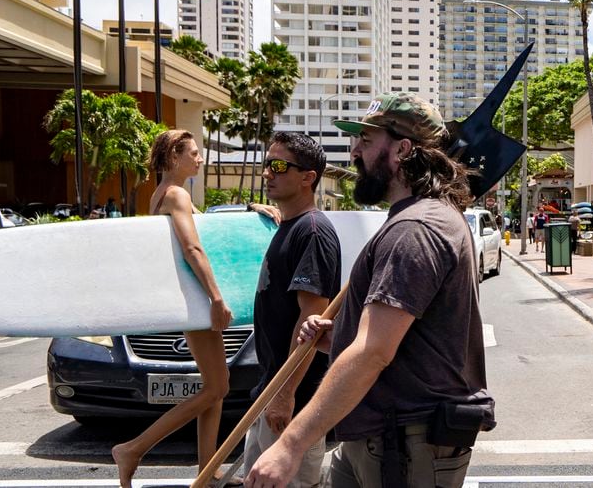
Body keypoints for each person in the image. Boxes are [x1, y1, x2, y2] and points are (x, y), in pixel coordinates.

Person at [245, 92, 495, 488]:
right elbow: (398, 335)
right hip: (379, 434)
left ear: (403, 149)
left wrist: (291, 444)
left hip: (405, 441)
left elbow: (374, 350)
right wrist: (339, 336)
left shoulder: (416, 229)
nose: (354, 150)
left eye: (366, 140)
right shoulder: (419, 219)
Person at [112, 130, 235, 488]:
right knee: (215, 389)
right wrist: (216, 297)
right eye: (193, 153)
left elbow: (209, 223)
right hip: (197, 299)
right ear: (173, 158)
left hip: (191, 300)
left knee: (217, 386)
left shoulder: (161, 195)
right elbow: (192, 249)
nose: (200, 159)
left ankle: (207, 470)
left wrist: (251, 209)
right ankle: (133, 449)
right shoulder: (177, 194)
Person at [244, 132, 342, 487]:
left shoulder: (313, 232)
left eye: (280, 166)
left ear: (308, 177)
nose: (268, 173)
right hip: (269, 395)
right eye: (267, 164)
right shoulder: (289, 227)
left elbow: (311, 323)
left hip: (292, 405)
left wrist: (285, 396)